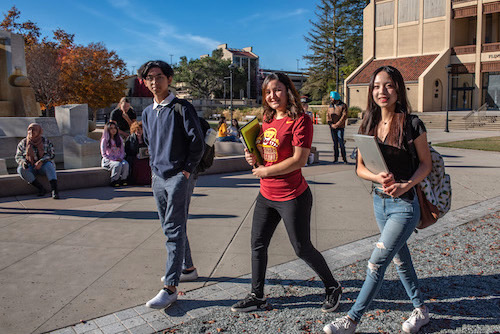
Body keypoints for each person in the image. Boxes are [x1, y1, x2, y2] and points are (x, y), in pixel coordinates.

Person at [323, 66, 432, 334]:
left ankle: (351, 320)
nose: (382, 91)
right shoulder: (368, 125)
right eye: (376, 86)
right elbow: (360, 168)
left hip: (405, 205)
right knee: (399, 259)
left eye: (388, 85)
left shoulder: (412, 123)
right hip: (380, 203)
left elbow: (426, 165)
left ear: (398, 89)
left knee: (376, 263)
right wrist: (377, 177)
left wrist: (406, 183)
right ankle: (421, 309)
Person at [231, 72, 342, 313]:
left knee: (302, 248)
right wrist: (253, 157)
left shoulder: (301, 120)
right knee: (257, 245)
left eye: (277, 90)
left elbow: (299, 160)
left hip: (292, 196)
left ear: (288, 91)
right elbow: (265, 156)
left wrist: (265, 173)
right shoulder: (267, 119)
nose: (272, 95)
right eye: (268, 91)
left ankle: (333, 287)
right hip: (266, 195)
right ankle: (257, 295)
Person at [138, 60, 205, 310]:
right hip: (158, 177)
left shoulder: (181, 107)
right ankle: (187, 268)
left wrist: (186, 171)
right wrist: (155, 172)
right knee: (173, 226)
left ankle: (171, 287)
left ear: (169, 79)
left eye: (159, 76)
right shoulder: (147, 112)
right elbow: (149, 142)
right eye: (149, 78)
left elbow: (196, 143)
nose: (154, 82)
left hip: (178, 176)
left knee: (172, 229)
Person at [15, 123, 60, 199]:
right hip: (30, 167)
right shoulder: (23, 143)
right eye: (30, 130)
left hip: (43, 166)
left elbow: (51, 154)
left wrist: (41, 161)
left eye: (34, 130)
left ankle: (54, 190)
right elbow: (18, 156)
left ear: (39, 131)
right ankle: (40, 188)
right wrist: (23, 162)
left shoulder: (45, 141)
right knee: (20, 169)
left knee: (49, 165)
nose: (31, 132)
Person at [100, 121, 129, 187]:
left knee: (125, 164)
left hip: (119, 158)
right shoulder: (105, 140)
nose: (113, 130)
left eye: (114, 128)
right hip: (109, 160)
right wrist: (113, 159)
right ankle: (114, 180)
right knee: (117, 165)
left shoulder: (119, 139)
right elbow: (104, 154)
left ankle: (123, 179)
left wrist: (121, 158)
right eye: (111, 128)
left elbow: (122, 151)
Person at [327, 91, 348, 164]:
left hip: (340, 127)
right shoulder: (330, 106)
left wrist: (337, 124)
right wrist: (330, 124)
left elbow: (344, 116)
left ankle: (344, 159)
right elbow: (328, 116)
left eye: (331, 97)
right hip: (332, 127)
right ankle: (335, 158)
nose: (331, 99)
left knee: (341, 143)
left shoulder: (343, 105)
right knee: (335, 143)